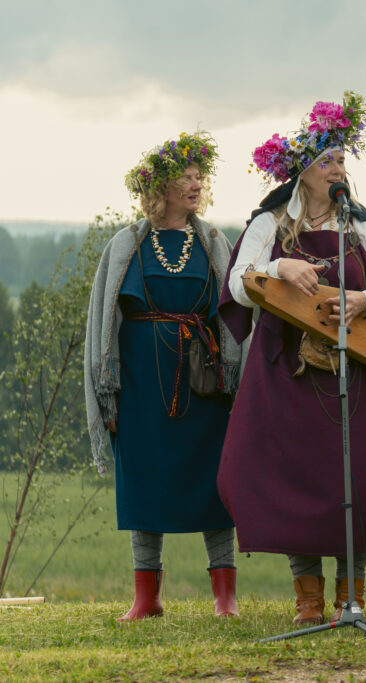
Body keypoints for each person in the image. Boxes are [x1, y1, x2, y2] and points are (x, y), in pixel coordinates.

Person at [217, 97, 366, 625]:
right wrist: (279, 267)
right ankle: (307, 601)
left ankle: (351, 597)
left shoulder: (362, 226)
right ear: (302, 173)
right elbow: (239, 283)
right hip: (285, 374)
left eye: (341, 161)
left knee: (359, 478)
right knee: (295, 479)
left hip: (357, 371)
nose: (338, 169)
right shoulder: (270, 223)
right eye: (327, 161)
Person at [84, 131, 242, 620]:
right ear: (161, 188)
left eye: (199, 177)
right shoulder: (125, 244)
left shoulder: (213, 242)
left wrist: (235, 377)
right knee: (143, 479)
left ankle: (225, 596)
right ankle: (146, 597)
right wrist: (107, 389)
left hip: (204, 384)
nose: (195, 185)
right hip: (139, 386)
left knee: (213, 479)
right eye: (185, 177)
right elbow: (103, 321)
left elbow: (233, 312)